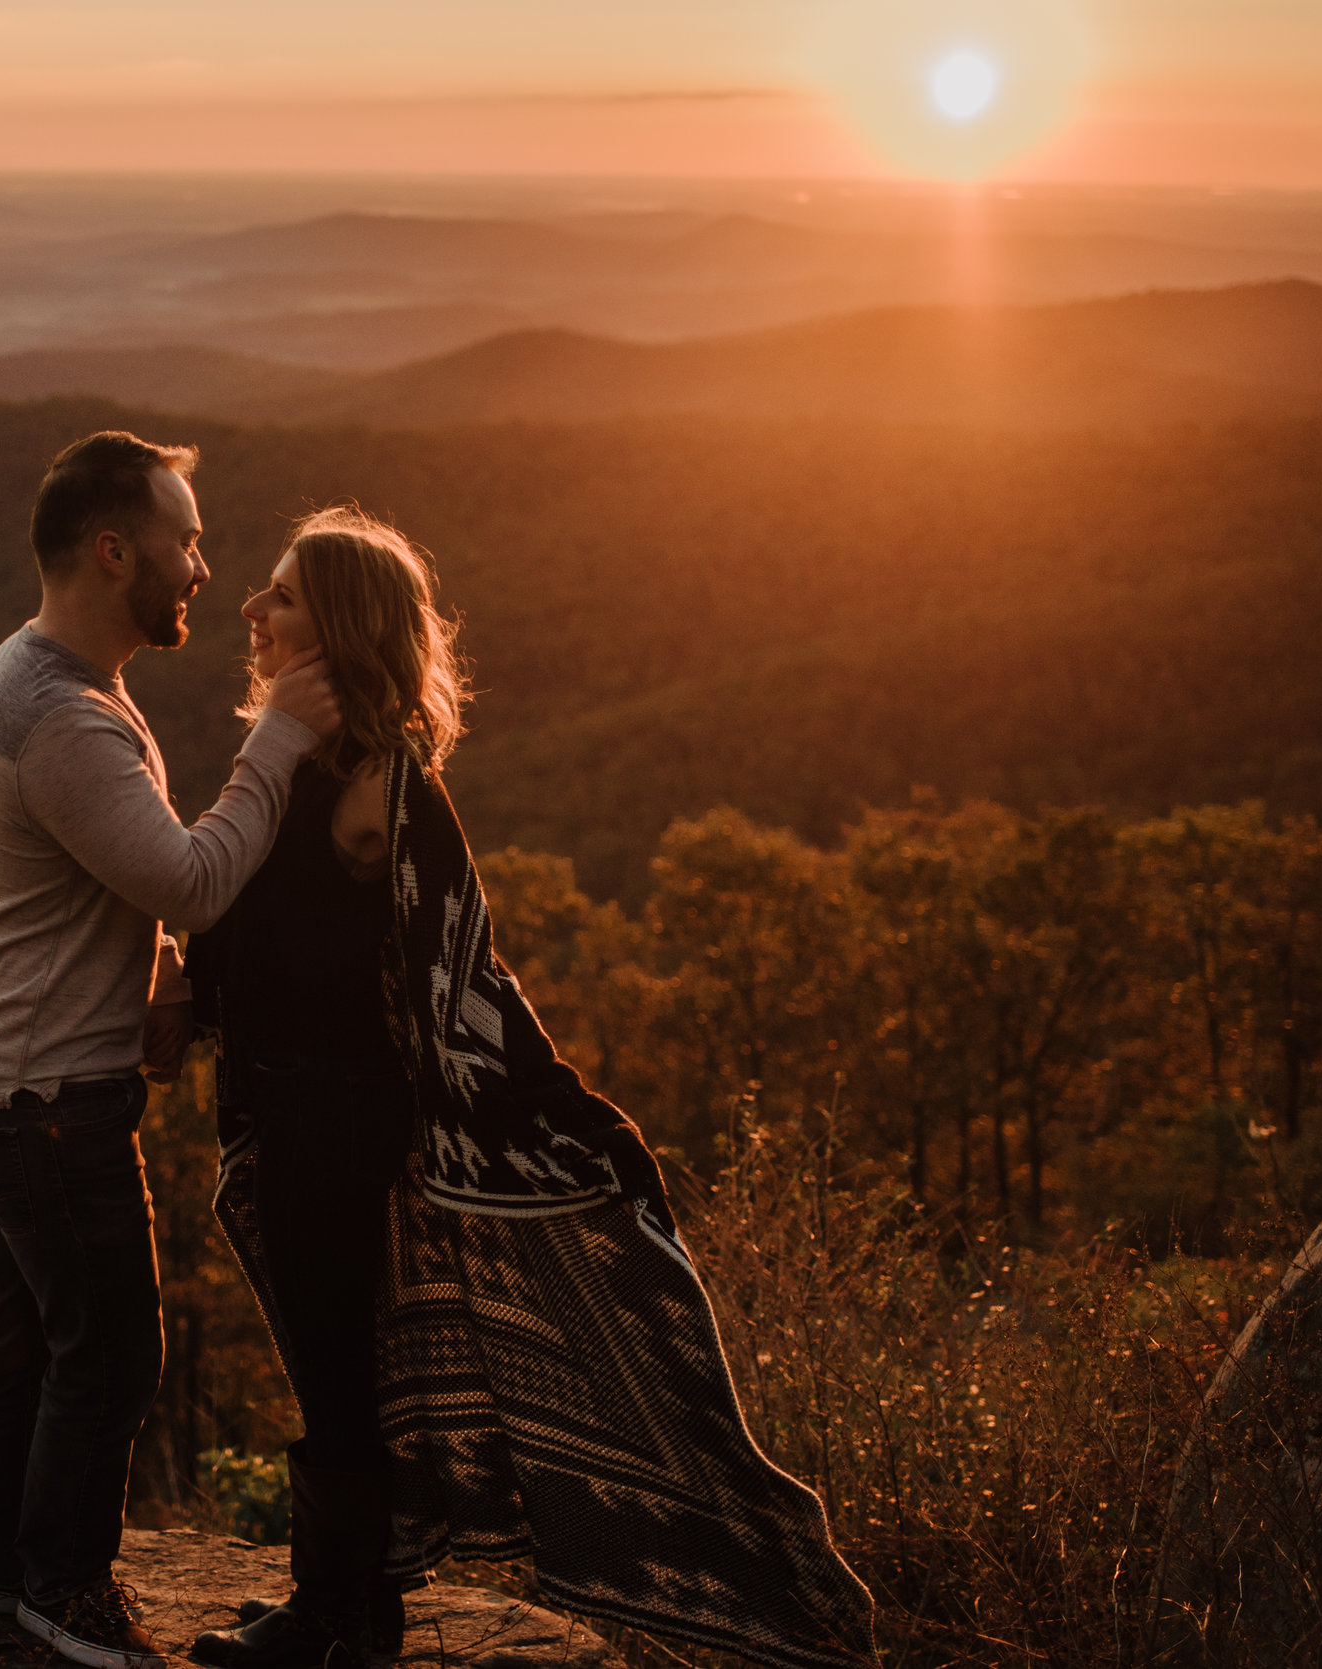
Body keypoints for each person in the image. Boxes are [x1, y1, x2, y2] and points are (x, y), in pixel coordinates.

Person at [184, 509, 879, 1669]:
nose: (251, 614)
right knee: (324, 1361)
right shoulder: (300, 762)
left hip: (333, 1121)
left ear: (340, 628)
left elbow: (465, 978)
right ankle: (346, 1607)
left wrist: (575, 1131)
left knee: (335, 1368)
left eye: (282, 598)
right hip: (288, 1106)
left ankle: (340, 1619)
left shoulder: (376, 786)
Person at [0, 431, 340, 1669]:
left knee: (16, 1325)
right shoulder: (64, 716)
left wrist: (145, 974)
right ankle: (63, 1593)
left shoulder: (36, 676)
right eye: (187, 540)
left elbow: (82, 890)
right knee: (108, 1344)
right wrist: (278, 734)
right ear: (116, 551)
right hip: (42, 1095)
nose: (205, 564)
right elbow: (192, 878)